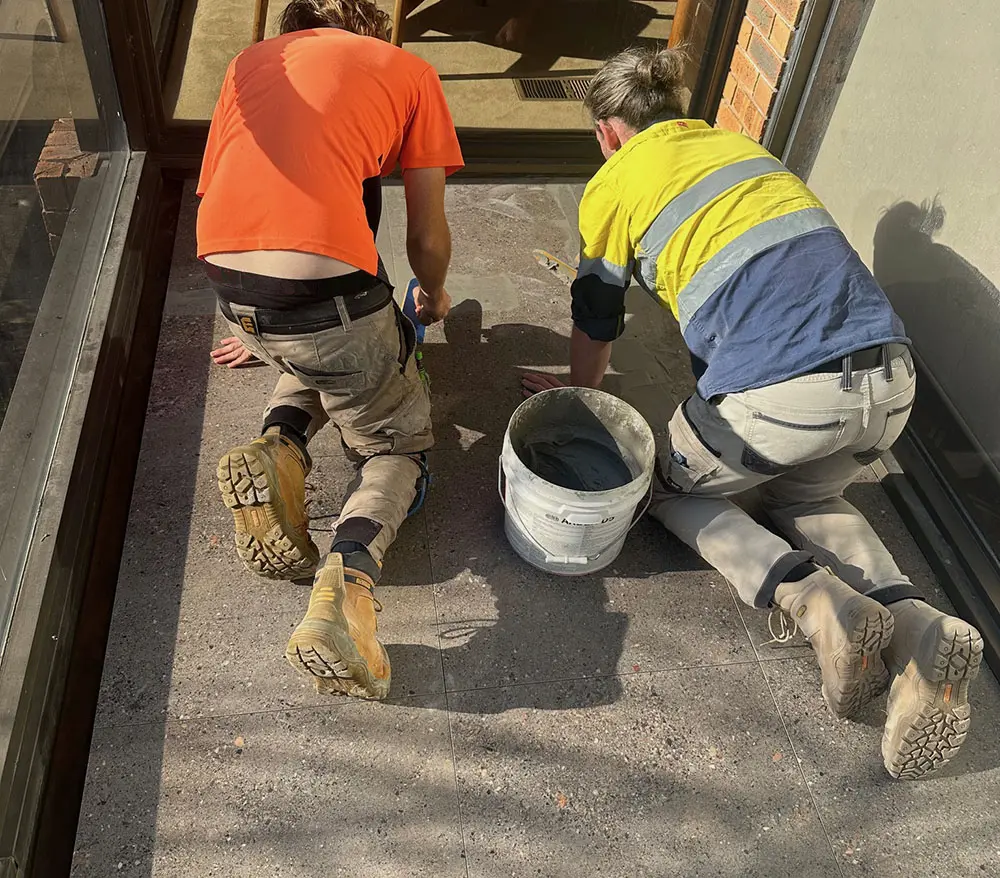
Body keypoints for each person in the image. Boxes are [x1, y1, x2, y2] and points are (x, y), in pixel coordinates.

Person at [523, 46, 983, 779]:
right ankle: (918, 624)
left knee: (663, 486)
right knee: (808, 492)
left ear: (609, 130)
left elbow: (596, 313)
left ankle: (813, 601)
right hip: (891, 386)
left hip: (785, 396)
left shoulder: (615, 181)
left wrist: (586, 401)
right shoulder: (743, 148)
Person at [197, 0, 463, 700]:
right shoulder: (407, 70)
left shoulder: (251, 64)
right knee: (393, 443)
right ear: (370, 31)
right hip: (329, 296)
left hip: (230, 284)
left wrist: (248, 326)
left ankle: (278, 445)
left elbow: (230, 191)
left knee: (319, 350)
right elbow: (426, 233)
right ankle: (346, 584)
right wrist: (432, 296)